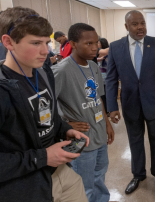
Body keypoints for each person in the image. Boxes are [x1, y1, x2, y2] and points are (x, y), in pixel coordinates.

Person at [0, 7, 89, 202]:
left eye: (47, 42)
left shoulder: (43, 73)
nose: (45, 51)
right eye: (35, 43)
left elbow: (48, 115)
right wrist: (42, 158)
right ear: (8, 42)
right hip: (24, 186)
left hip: (60, 173)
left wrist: (65, 129)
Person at [106, 10, 155, 195]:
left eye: (142, 23)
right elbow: (111, 79)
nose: (140, 27)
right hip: (130, 105)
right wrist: (111, 107)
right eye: (135, 24)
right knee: (134, 141)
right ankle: (138, 175)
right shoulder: (115, 47)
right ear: (126, 27)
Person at [52, 23, 115, 202]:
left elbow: (98, 98)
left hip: (99, 133)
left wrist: (107, 123)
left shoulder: (93, 66)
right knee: (84, 185)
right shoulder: (61, 71)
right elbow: (46, 106)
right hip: (82, 139)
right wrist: (64, 125)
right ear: (73, 43)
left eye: (96, 43)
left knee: (100, 176)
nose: (95, 48)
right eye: (88, 43)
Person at [98, 37, 109, 112]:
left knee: (105, 94)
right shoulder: (97, 54)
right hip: (99, 76)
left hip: (105, 76)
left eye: (98, 43)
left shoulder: (107, 54)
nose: (97, 45)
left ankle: (107, 110)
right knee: (101, 94)